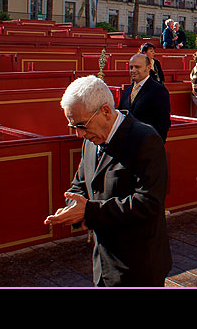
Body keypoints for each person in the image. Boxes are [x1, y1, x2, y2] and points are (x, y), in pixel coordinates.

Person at [45, 75, 172, 287]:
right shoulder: (90, 140)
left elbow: (148, 203)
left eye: (82, 125)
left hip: (139, 266)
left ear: (105, 111)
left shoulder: (145, 139)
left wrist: (89, 212)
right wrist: (73, 208)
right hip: (103, 264)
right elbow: (80, 185)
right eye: (73, 126)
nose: (78, 134)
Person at [118, 53, 172, 143]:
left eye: (137, 67)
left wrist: (155, 145)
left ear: (148, 67)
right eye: (131, 67)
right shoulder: (127, 91)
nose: (133, 70)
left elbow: (163, 123)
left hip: (147, 145)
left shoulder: (158, 91)